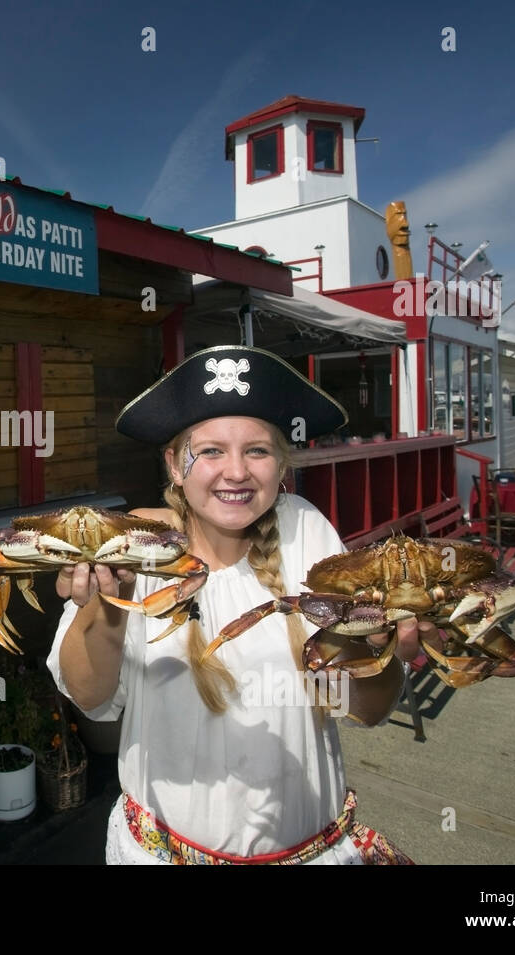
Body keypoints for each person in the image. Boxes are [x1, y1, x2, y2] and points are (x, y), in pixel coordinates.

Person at [47, 346, 428, 865]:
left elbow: (368, 708)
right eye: (209, 451)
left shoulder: (307, 533)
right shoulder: (133, 545)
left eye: (257, 450)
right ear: (174, 465)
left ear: (281, 465)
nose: (236, 472)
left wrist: (379, 652)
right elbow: (90, 698)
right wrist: (109, 602)